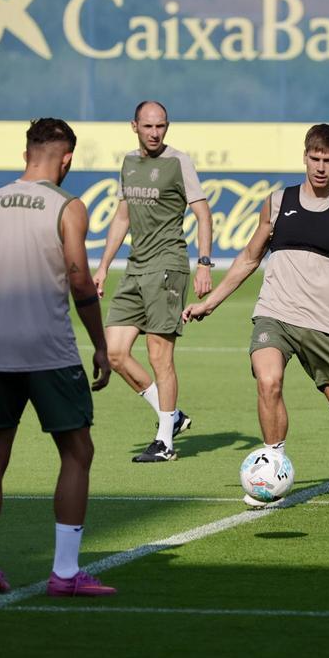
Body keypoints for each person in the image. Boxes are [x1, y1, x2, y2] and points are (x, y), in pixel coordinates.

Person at [182, 123, 329, 507]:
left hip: (324, 327)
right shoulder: (277, 203)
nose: (320, 167)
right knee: (268, 379)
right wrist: (210, 303)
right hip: (274, 315)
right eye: (314, 158)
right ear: (305, 156)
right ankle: (270, 469)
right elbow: (248, 259)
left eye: (328, 160)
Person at [0, 118, 116, 597]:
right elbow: (80, 279)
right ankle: (65, 573)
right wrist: (101, 344)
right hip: (50, 352)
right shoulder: (67, 205)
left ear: (28, 152)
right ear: (66, 158)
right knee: (77, 452)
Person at [93, 101, 213, 463]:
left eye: (161, 126)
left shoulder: (178, 161)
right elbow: (121, 217)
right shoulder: (129, 163)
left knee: (160, 356)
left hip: (167, 266)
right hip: (134, 268)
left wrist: (204, 262)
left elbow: (203, 214)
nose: (155, 133)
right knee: (114, 352)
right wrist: (102, 267)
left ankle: (165, 443)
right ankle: (172, 416)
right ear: (134, 126)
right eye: (148, 126)